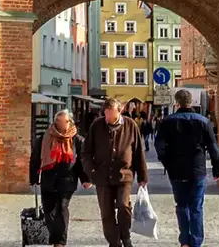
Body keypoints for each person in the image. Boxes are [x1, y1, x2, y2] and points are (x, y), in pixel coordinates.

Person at [155, 89, 219, 247]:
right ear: (191, 102)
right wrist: (216, 169)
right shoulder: (204, 122)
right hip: (197, 169)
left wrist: (167, 163)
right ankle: (196, 242)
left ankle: (185, 241)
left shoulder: (167, 122)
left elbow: (160, 147)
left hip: (176, 171)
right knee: (196, 207)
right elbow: (214, 148)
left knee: (181, 205)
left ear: (176, 103)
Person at [82, 97, 148, 247]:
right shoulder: (97, 125)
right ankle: (114, 242)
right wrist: (91, 171)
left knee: (124, 206)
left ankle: (125, 235)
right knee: (107, 213)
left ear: (120, 111)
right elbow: (86, 152)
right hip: (102, 176)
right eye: (106, 114)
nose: (108, 118)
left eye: (111, 115)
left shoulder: (130, 125)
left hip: (124, 175)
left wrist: (143, 176)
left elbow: (138, 152)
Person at [29, 109, 90, 247]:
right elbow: (35, 158)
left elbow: (82, 161)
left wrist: (86, 178)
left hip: (67, 180)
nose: (59, 124)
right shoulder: (45, 138)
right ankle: (55, 237)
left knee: (62, 208)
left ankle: (60, 242)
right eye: (57, 121)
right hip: (48, 179)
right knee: (49, 210)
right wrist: (34, 178)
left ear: (70, 122)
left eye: (62, 122)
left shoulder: (77, 140)